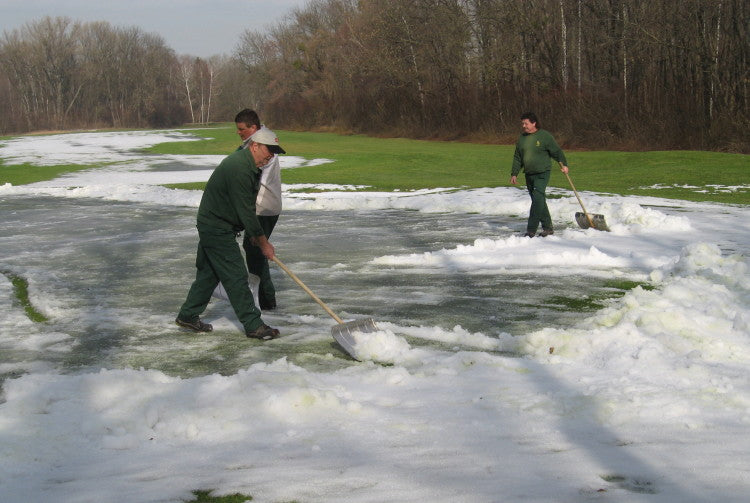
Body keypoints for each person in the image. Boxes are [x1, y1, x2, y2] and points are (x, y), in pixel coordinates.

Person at [175, 126, 286, 340]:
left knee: (209, 274)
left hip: (217, 224)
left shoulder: (249, 165)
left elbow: (244, 208)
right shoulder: (240, 168)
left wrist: (255, 236)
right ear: (255, 146)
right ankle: (253, 325)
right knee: (236, 275)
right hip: (216, 227)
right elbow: (245, 210)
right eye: (269, 150)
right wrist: (263, 242)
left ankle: (188, 315)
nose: (271, 155)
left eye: (275, 152)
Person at [229, 109, 282, 310]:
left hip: (263, 207)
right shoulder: (254, 144)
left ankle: (267, 302)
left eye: (242, 129)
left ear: (253, 128)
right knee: (253, 250)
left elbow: (252, 181)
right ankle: (263, 299)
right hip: (263, 207)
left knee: (256, 250)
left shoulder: (264, 148)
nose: (239, 132)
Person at [509, 112, 569, 237]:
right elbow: (517, 157)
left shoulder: (544, 136)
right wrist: (514, 173)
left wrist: (564, 164)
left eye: (526, 123)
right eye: (522, 123)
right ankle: (548, 228)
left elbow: (556, 151)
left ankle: (531, 230)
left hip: (542, 173)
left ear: (533, 123)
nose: (523, 126)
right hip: (529, 174)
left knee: (537, 199)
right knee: (539, 200)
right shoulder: (522, 138)